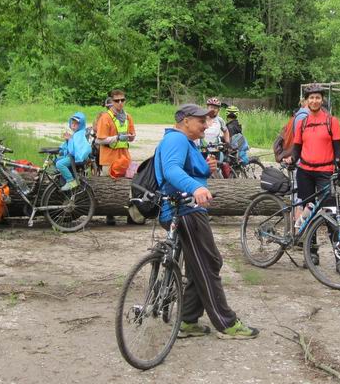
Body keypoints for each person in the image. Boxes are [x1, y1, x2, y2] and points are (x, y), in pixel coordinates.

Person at [155, 103, 259, 340]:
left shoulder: (187, 142)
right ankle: (226, 323)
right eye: (202, 121)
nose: (207, 125)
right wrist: (197, 187)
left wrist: (205, 166)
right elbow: (171, 170)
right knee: (209, 263)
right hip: (184, 211)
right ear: (186, 121)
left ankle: (188, 320)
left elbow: (188, 169)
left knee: (197, 266)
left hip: (188, 209)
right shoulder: (176, 140)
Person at [289, 83, 340, 276]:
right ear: (306, 101)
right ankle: (312, 252)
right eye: (311, 98)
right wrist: (292, 160)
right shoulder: (303, 122)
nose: (314, 101)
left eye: (317, 97)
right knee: (310, 212)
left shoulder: (332, 121)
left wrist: (338, 167)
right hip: (305, 172)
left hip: (324, 172)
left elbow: (338, 149)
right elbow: (296, 147)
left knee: (331, 214)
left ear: (322, 100)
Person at [96, 89, 136, 224]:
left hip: (124, 157)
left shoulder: (128, 117)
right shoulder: (105, 118)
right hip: (109, 158)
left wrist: (130, 137)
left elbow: (132, 137)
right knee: (109, 187)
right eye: (116, 101)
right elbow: (99, 140)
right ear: (111, 102)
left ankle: (130, 214)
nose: (120, 103)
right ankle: (109, 214)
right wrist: (116, 138)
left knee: (128, 186)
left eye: (122, 100)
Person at [56, 112, 91, 191]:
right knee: (58, 160)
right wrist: (63, 146)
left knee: (59, 164)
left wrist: (69, 139)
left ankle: (70, 181)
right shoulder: (77, 134)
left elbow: (73, 151)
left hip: (76, 158)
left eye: (76, 123)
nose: (74, 125)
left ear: (81, 125)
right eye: (72, 123)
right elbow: (69, 146)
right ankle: (62, 179)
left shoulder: (79, 135)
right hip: (75, 157)